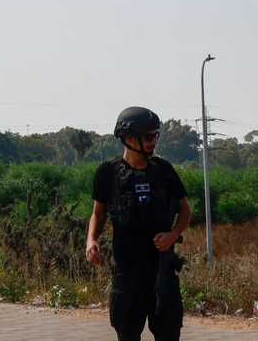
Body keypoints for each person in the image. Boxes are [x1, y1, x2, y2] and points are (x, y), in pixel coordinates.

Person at [86, 107, 191, 341]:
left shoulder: (164, 170)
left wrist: (173, 234)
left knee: (169, 334)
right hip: (127, 274)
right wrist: (91, 240)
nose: (154, 141)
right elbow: (98, 214)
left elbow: (185, 210)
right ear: (129, 138)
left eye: (156, 135)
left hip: (162, 272)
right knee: (127, 334)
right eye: (149, 136)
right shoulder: (107, 173)